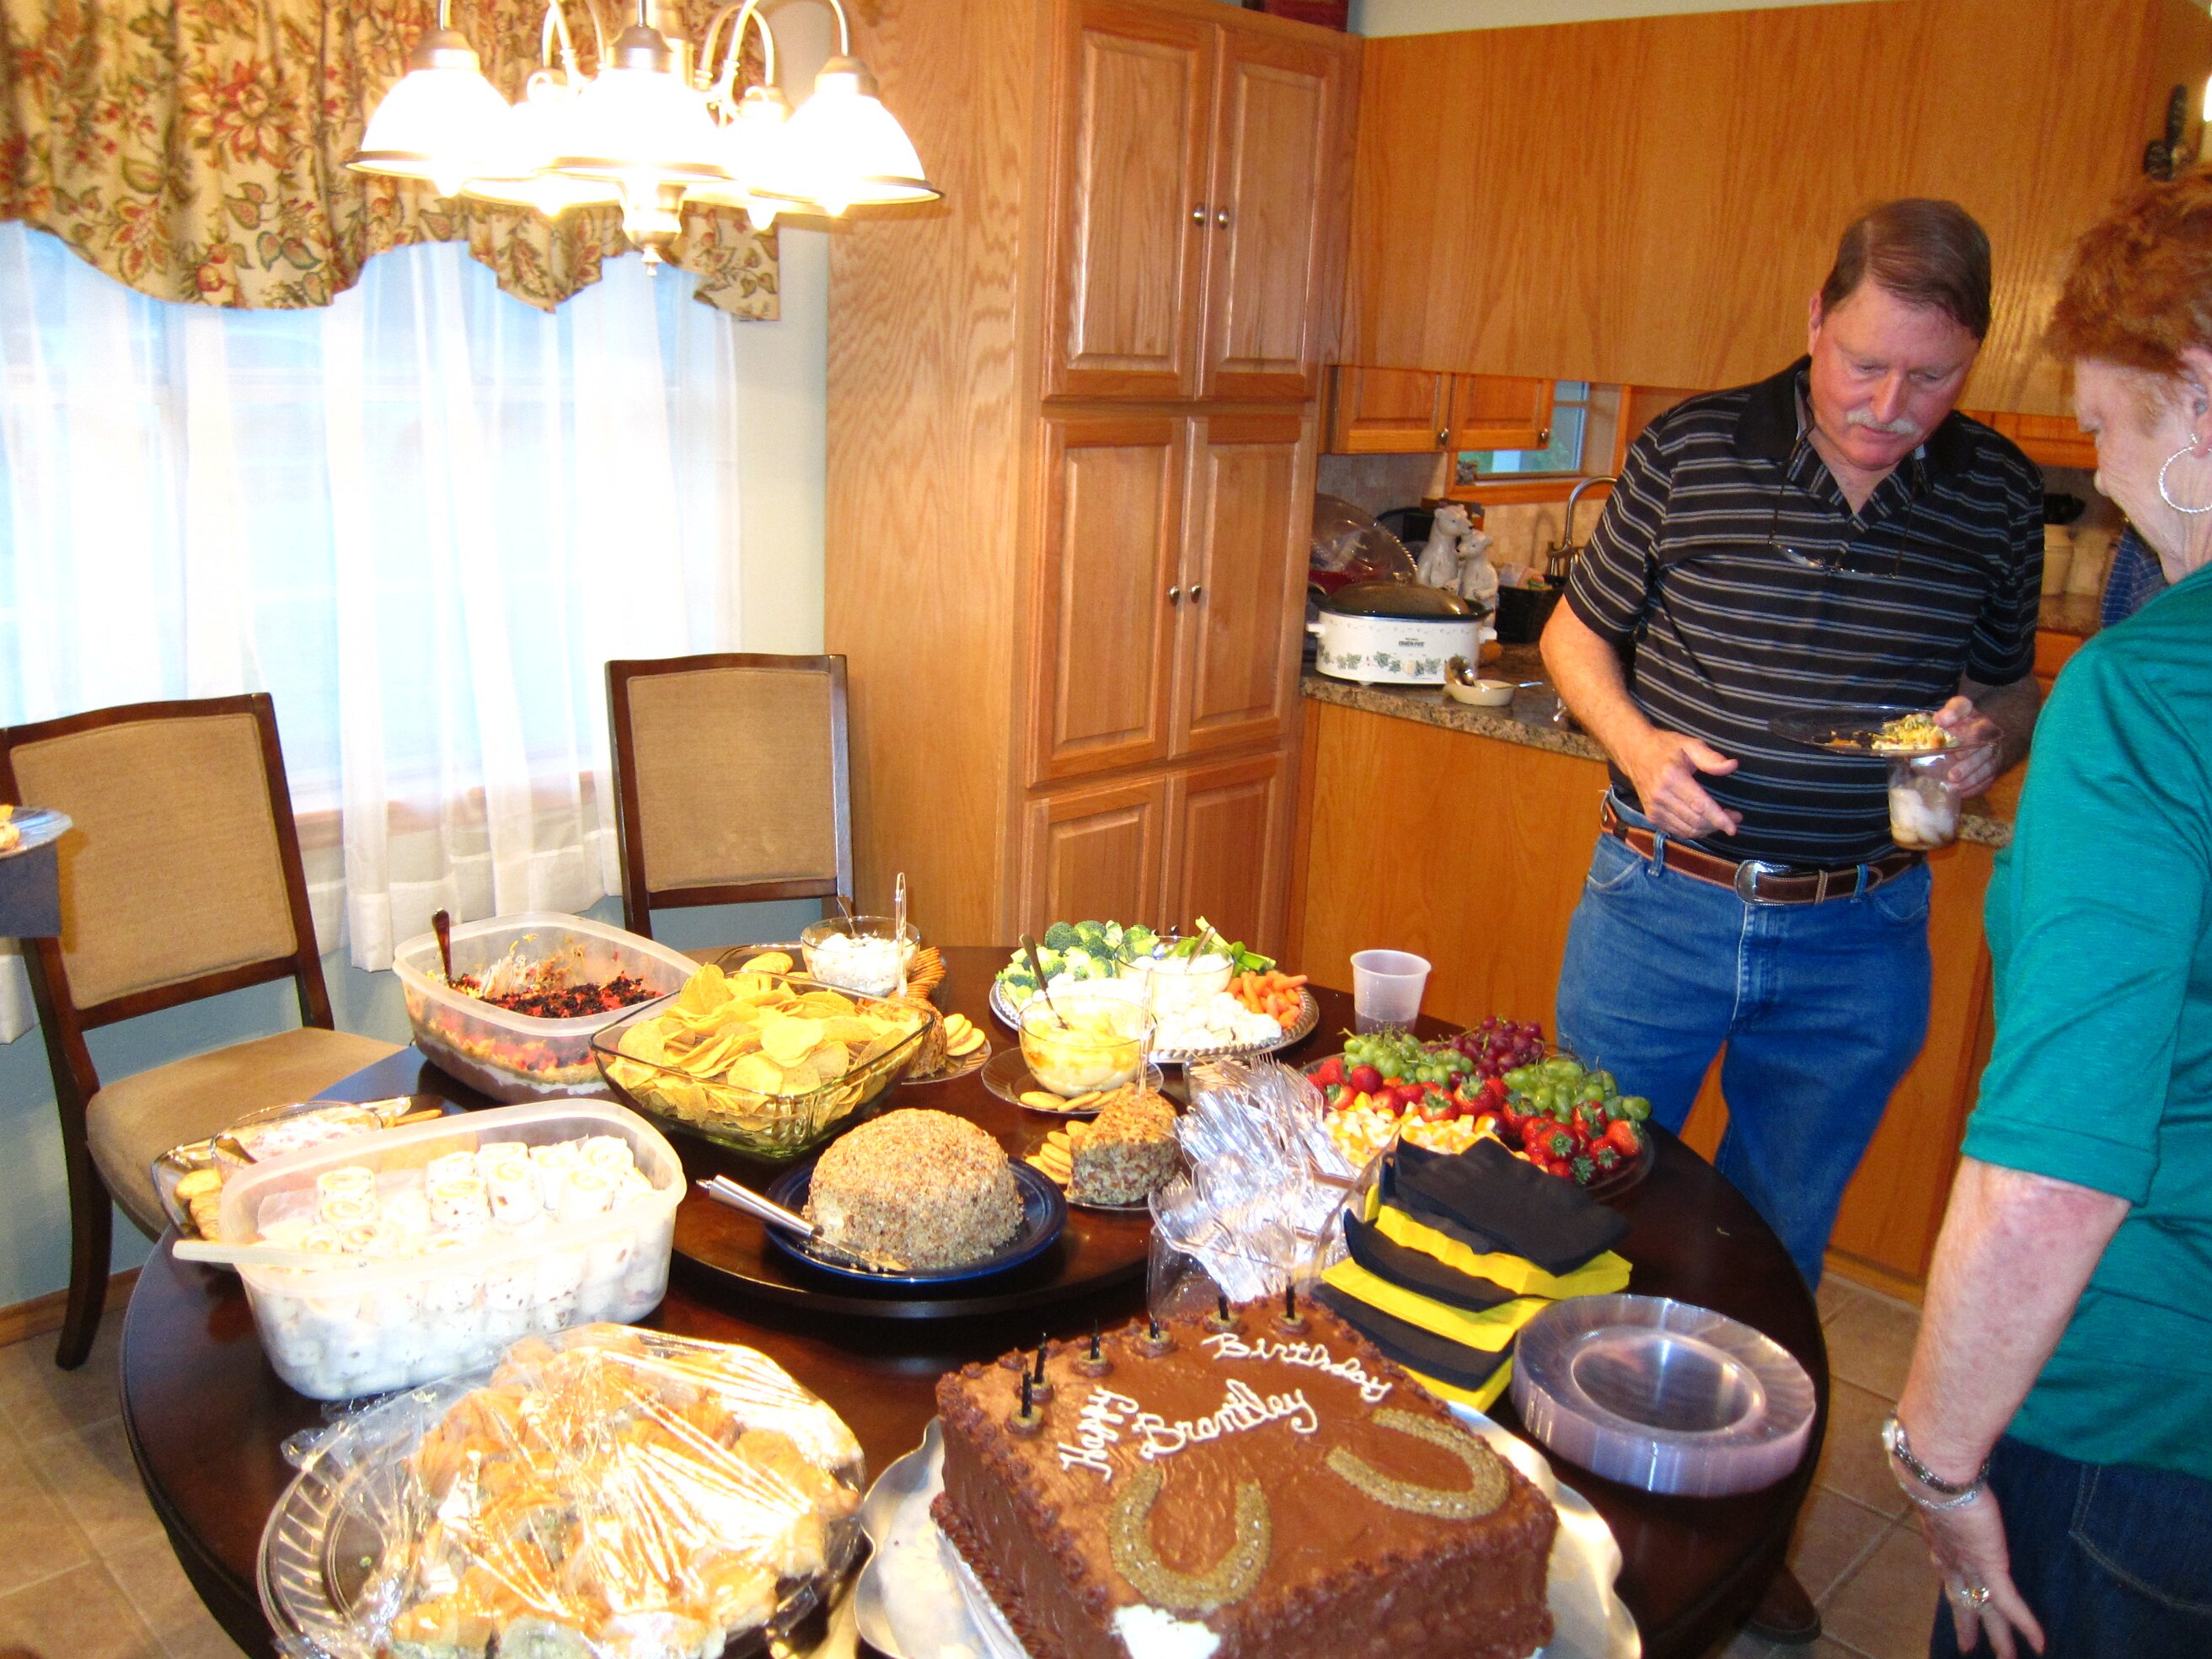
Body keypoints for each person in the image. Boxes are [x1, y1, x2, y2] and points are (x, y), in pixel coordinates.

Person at [1542, 199, 2043, 1293]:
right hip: (1658, 904)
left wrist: (1986, 743)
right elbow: (1573, 635)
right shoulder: (1692, 448)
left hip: (1859, 933)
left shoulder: (1999, 492)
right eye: (1864, 365)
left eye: (1932, 378)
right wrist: (1637, 746)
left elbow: (2008, 685)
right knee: (1582, 1205)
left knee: (1773, 1242)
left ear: (1973, 354)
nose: (1888, 407)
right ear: (1817, 318)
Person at [1889, 175, 2212, 1659]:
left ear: (2194, 397)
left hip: (2144, 1423)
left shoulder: (2147, 694)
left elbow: (2046, 1178)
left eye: (2101, 424)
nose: (2103, 468)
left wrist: (1936, 1459)